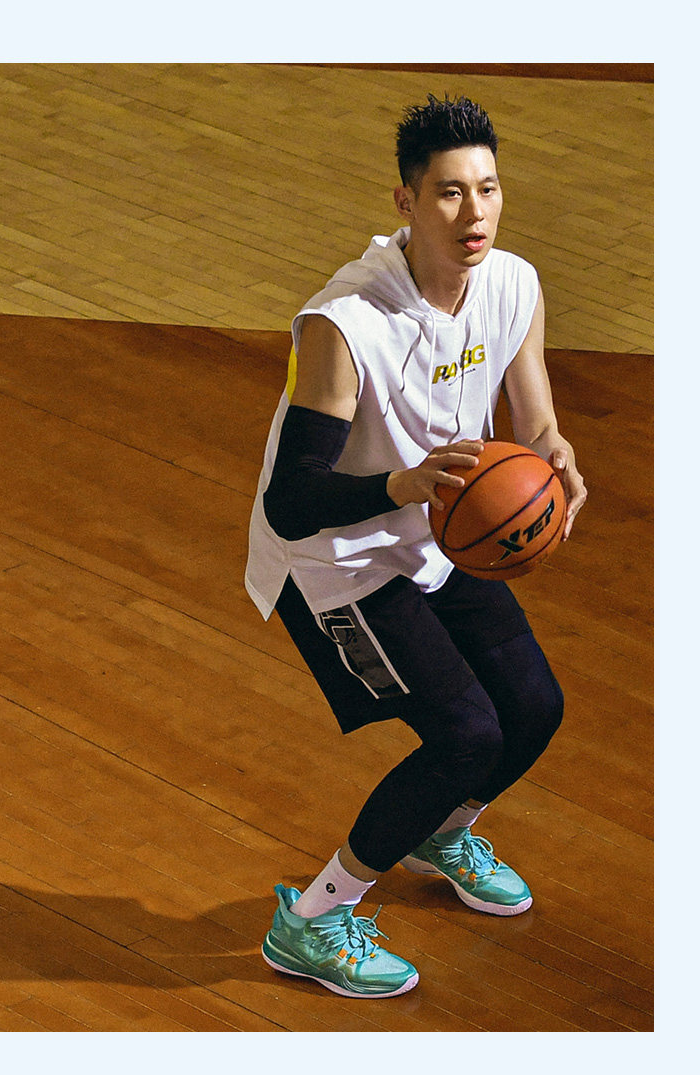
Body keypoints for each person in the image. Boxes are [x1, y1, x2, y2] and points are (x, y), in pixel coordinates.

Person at [244, 93, 587, 999]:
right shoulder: (345, 324)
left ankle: (440, 831)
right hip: (337, 559)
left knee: (534, 707)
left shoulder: (512, 285)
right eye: (449, 192)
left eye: (488, 188)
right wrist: (399, 486)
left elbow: (535, 417)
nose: (475, 213)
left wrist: (553, 457)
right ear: (406, 201)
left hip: (439, 529)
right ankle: (311, 920)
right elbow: (291, 501)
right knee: (467, 734)